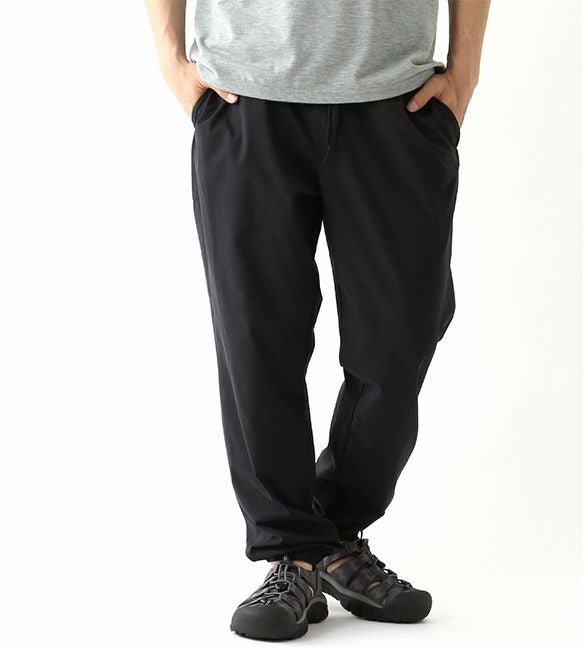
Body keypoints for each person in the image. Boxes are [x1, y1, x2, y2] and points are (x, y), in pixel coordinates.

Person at [145, 0, 490, 640]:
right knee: (257, 338)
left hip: (398, 99)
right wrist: (171, 59)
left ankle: (332, 532)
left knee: (401, 336)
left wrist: (465, 68)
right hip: (245, 93)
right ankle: (294, 553)